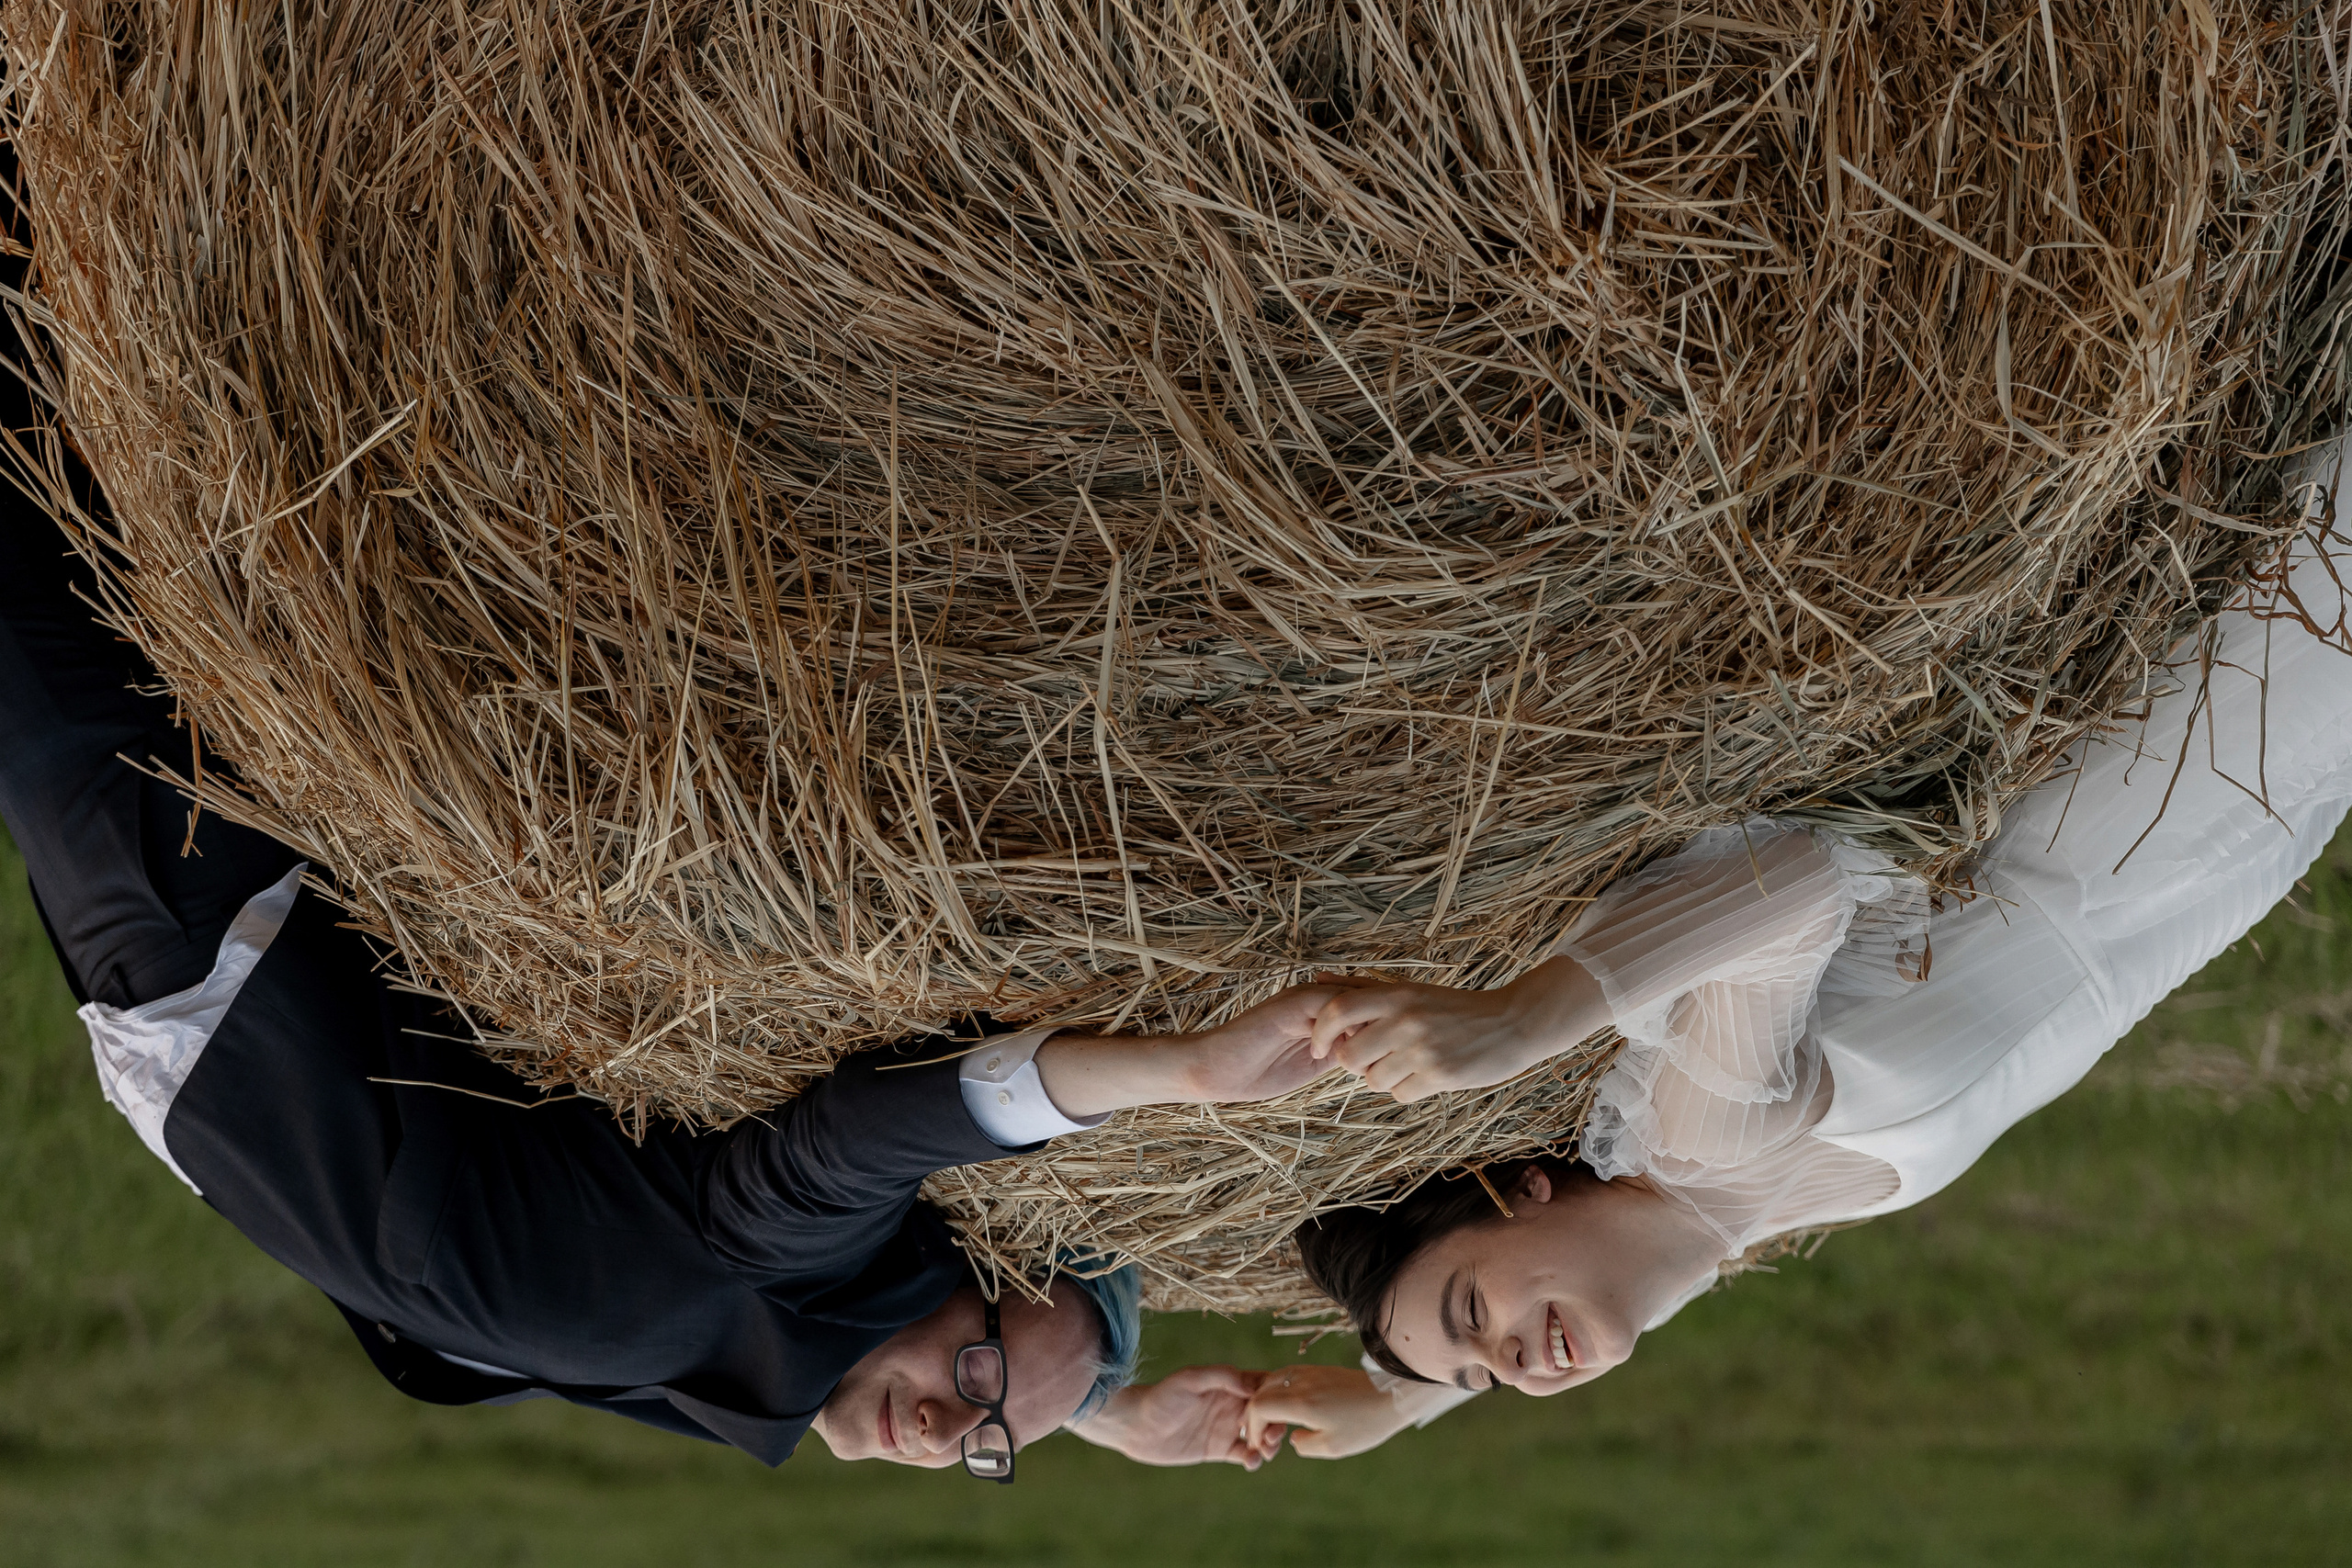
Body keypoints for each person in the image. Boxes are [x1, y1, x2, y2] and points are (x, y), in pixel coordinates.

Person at [0, 394, 1335, 1473]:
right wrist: (1191, 1069)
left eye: (981, 1448)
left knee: (53, 468)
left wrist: (1089, 1402)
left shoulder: (740, 1372)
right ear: (947, 1271)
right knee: (43, 461)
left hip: (199, 966)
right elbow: (862, 1144)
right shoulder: (772, 1267)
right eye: (971, 1384)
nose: (939, 1428)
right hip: (210, 923)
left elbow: (971, 1357)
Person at [1244, 441, 2352, 1457]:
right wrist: (1400, 1394)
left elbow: (1798, 891)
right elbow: (1588, 1291)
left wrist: (1518, 1019)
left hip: (2151, 802)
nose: (1511, 1369)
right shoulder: (1705, 1226)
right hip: (2196, 883)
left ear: (1528, 1189)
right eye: (1482, 1381)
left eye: (1474, 1320)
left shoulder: (1693, 1144)